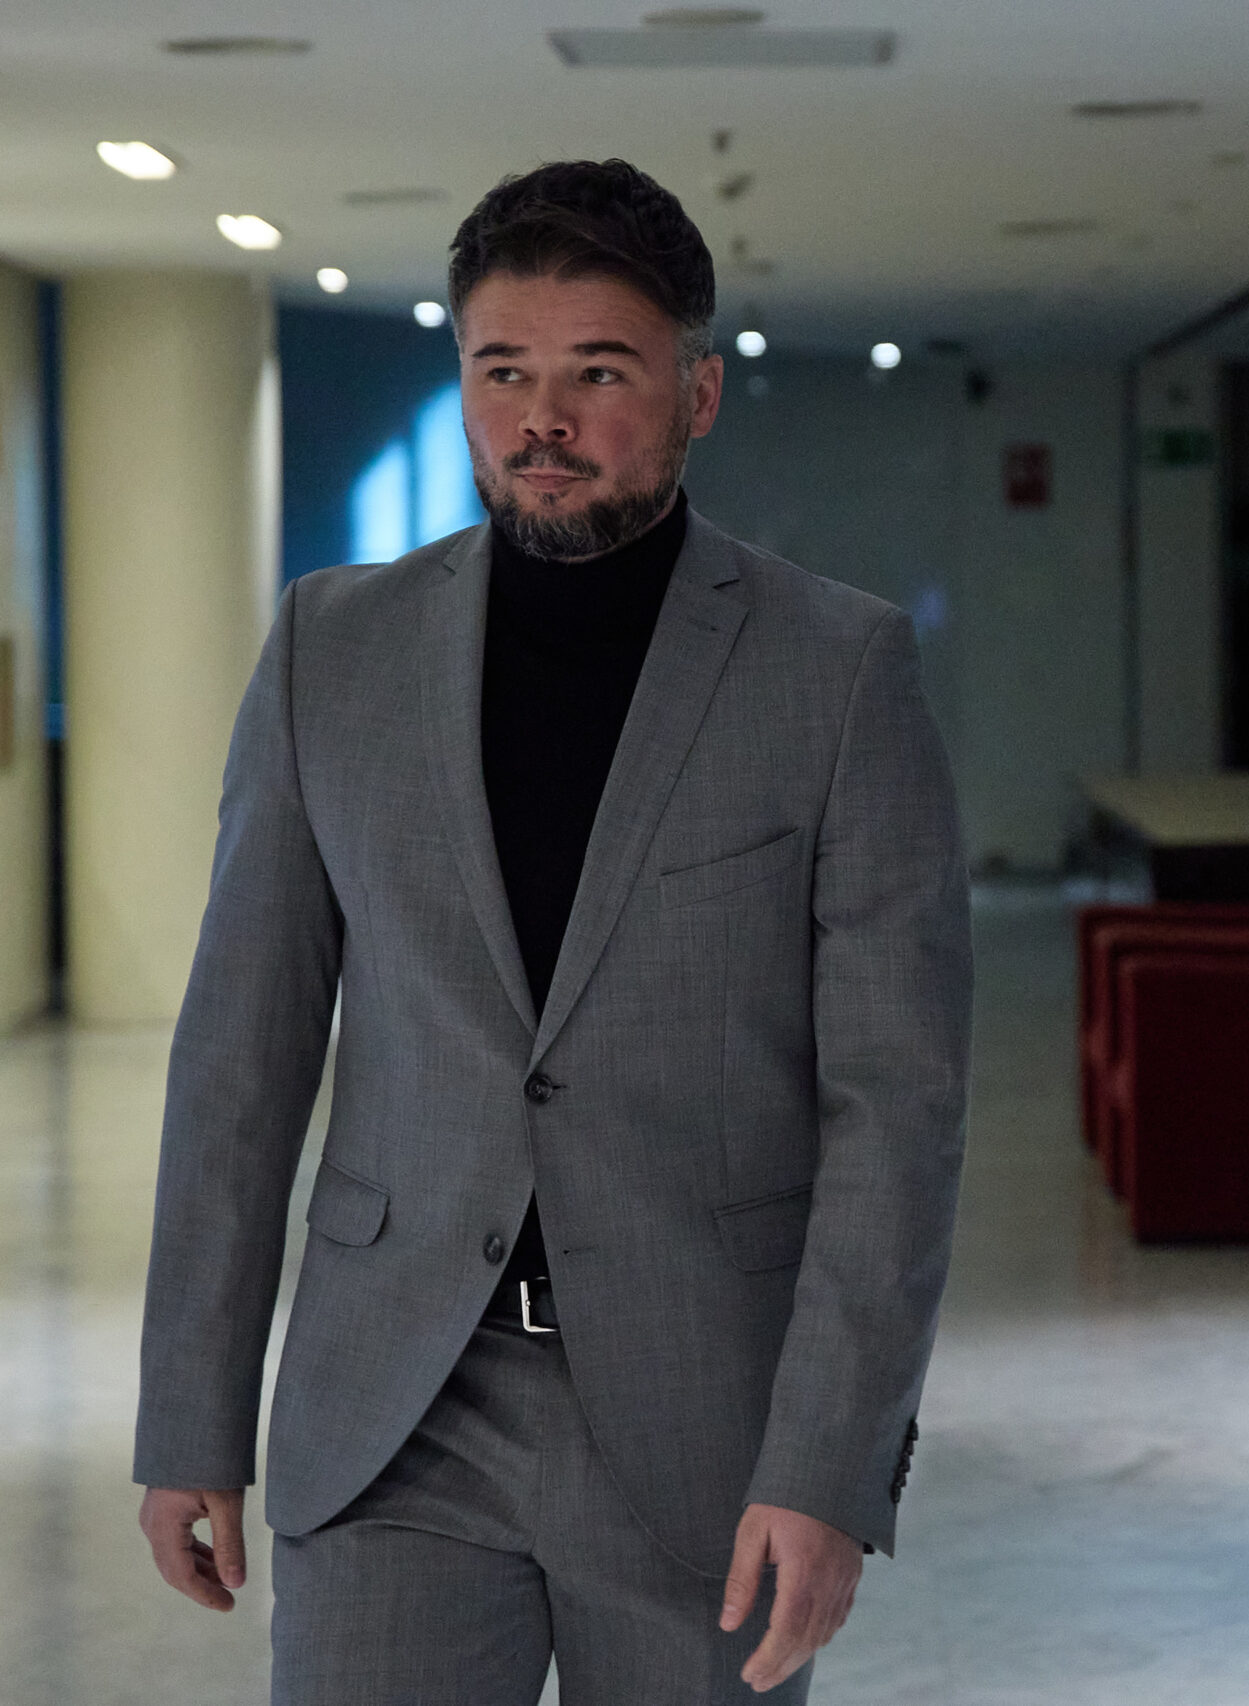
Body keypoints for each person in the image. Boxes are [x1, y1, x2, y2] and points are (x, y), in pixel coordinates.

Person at [131, 158, 972, 1703]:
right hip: (395, 1405)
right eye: (502, 370)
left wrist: (829, 1461)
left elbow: (895, 1111)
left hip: (703, 1423)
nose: (544, 418)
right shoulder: (330, 650)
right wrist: (191, 1411)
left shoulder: (838, 671)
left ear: (698, 393)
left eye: (599, 372)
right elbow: (241, 1060)